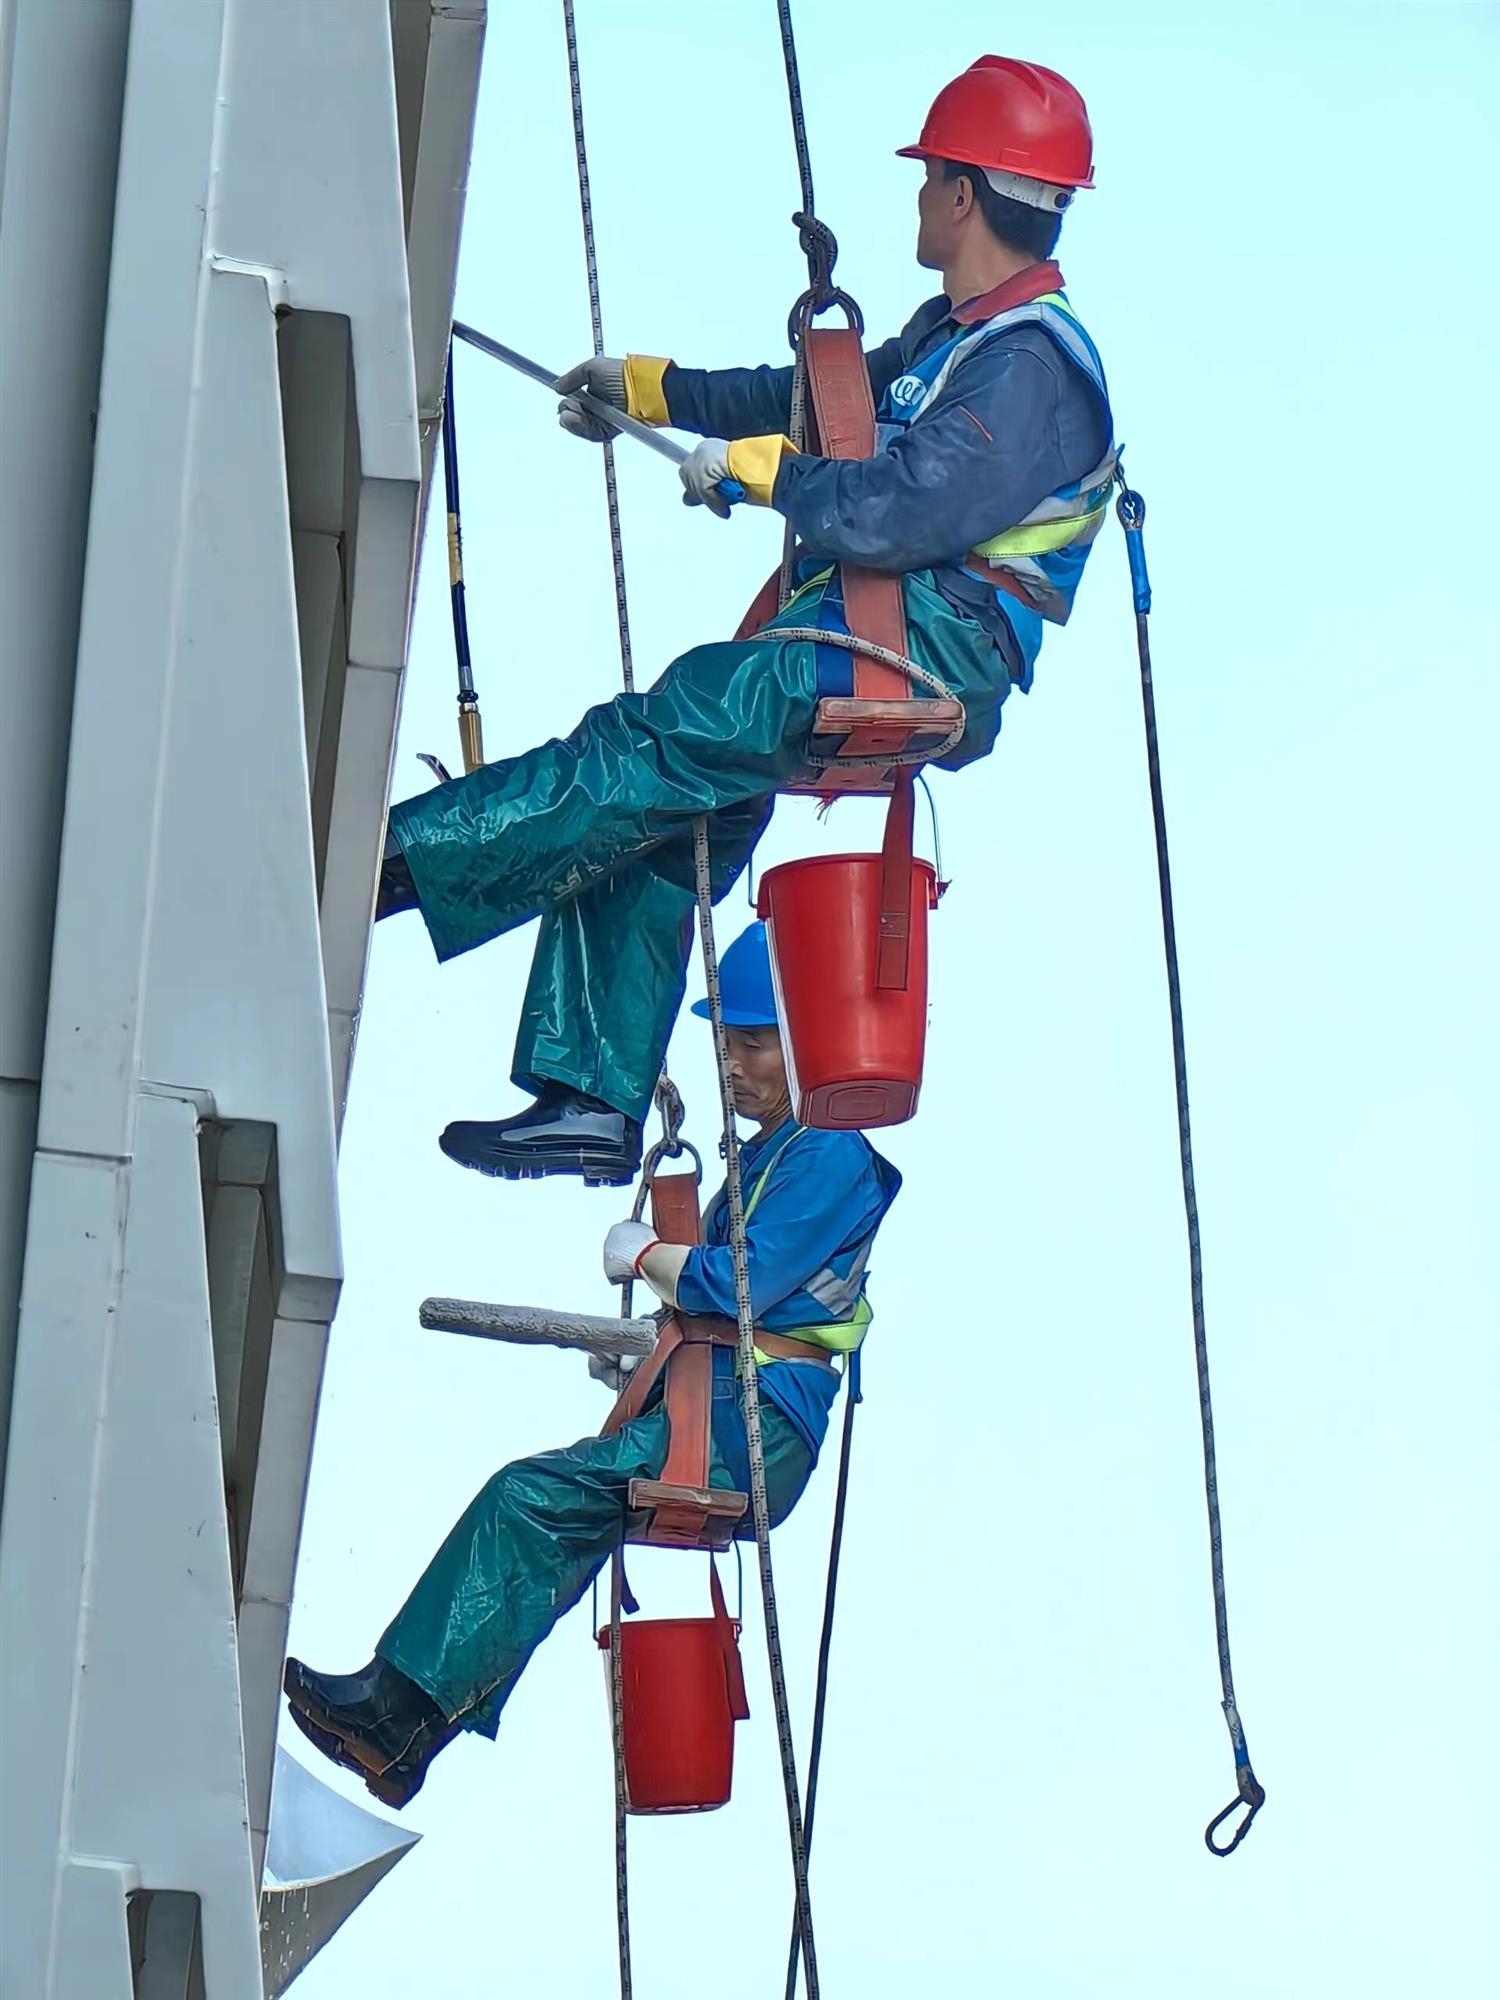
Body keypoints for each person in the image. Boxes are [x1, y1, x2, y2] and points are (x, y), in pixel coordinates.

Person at [379, 55, 1114, 1185]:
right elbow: (817, 403)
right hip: (875, 627)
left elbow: (900, 506)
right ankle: (589, 1098)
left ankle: (401, 862)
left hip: (929, 641)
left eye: (930, 180)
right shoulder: (952, 338)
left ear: (964, 193)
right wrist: (658, 390)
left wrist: (765, 475)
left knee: (647, 738)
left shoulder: (1035, 369)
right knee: (673, 820)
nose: (918, 198)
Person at [284, 923, 901, 1807]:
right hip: (731, 1403)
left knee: (528, 1500)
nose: (732, 1065)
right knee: (557, 1525)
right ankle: (410, 1730)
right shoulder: (772, 1157)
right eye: (725, 1043)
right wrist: (659, 1354)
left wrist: (649, 1254)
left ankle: (399, 1710)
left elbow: (744, 1284)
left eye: (754, 1043)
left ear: (812, 1039)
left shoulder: (830, 1152)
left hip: (759, 1423)